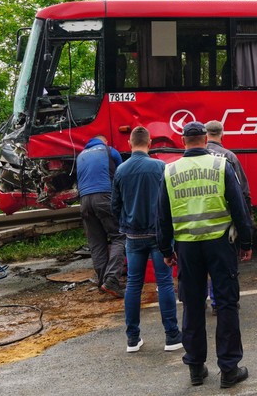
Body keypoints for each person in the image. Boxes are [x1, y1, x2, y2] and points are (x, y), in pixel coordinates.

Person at [157, 121, 253, 389]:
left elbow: (162, 215)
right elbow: (239, 207)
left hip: (187, 247)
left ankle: (196, 369)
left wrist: (166, 249)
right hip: (220, 244)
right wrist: (246, 242)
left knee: (192, 305)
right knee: (226, 303)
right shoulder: (220, 166)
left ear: (183, 140)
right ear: (205, 139)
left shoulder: (170, 170)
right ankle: (229, 369)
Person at [110, 127, 182, 353]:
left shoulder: (121, 170)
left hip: (133, 236)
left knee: (133, 284)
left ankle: (132, 339)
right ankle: (171, 336)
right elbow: (170, 201)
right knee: (164, 283)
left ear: (130, 143)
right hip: (158, 235)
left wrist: (126, 222)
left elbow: (115, 205)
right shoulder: (160, 167)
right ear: (150, 142)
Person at [205, 119, 252, 315]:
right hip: (223, 223)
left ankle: (202, 301)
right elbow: (242, 193)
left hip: (195, 223)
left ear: (206, 135)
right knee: (224, 265)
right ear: (222, 135)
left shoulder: (195, 156)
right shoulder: (229, 156)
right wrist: (246, 228)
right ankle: (221, 301)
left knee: (201, 267)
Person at [76, 134, 124, 298]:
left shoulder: (80, 156)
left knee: (96, 242)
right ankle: (111, 280)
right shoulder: (109, 151)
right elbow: (121, 176)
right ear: (105, 141)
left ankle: (103, 282)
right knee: (119, 236)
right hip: (104, 197)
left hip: (84, 201)